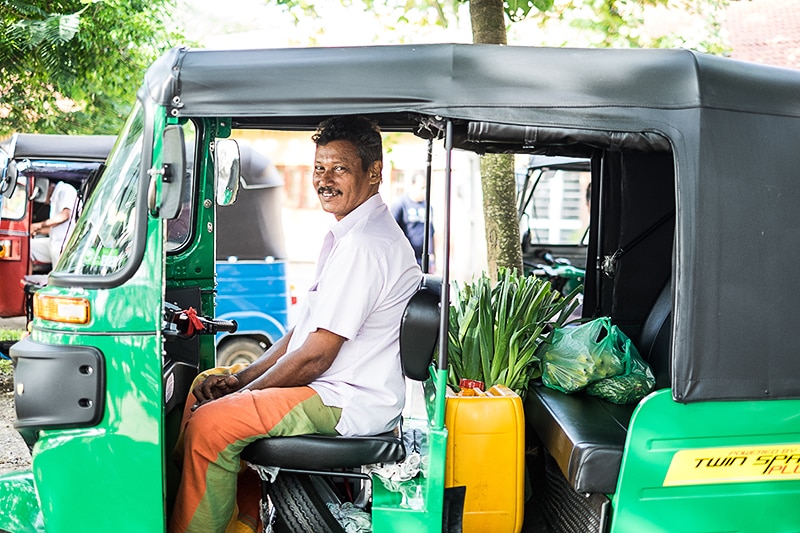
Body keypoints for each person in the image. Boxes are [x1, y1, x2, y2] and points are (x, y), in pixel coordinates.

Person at [168, 116, 422, 533]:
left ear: (374, 172)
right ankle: (236, 522)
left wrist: (241, 395)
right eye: (319, 168)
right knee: (207, 385)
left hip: (344, 399)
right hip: (330, 385)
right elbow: (300, 333)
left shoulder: (365, 245)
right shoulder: (348, 233)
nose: (324, 180)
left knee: (214, 425)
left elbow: (317, 355)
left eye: (338, 168)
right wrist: (240, 382)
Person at [391, 173, 435, 272]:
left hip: (423, 259)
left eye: (427, 188)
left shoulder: (428, 207)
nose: (425, 191)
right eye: (422, 188)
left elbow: (431, 233)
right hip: (406, 259)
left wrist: (432, 255)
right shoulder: (400, 205)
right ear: (412, 186)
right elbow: (391, 232)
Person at [29, 180, 78, 267]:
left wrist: (40, 225)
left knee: (59, 272)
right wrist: (37, 230)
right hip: (54, 241)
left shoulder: (65, 190)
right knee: (29, 247)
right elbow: (56, 229)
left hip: (65, 244)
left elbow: (65, 215)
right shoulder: (55, 198)